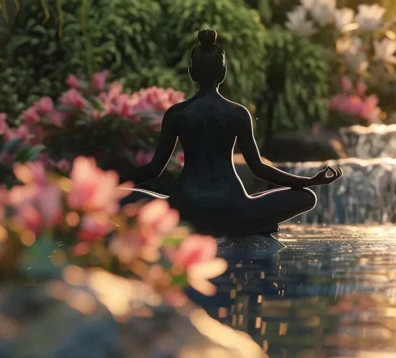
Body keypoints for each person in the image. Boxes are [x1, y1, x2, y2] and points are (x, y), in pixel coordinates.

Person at [120, 29, 341, 237]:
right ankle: (253, 225)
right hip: (232, 209)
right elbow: (259, 169)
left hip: (185, 209)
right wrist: (309, 181)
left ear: (191, 72)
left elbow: (154, 169)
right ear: (223, 73)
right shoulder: (238, 113)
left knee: (118, 198)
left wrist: (112, 183)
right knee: (307, 197)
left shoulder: (176, 113)